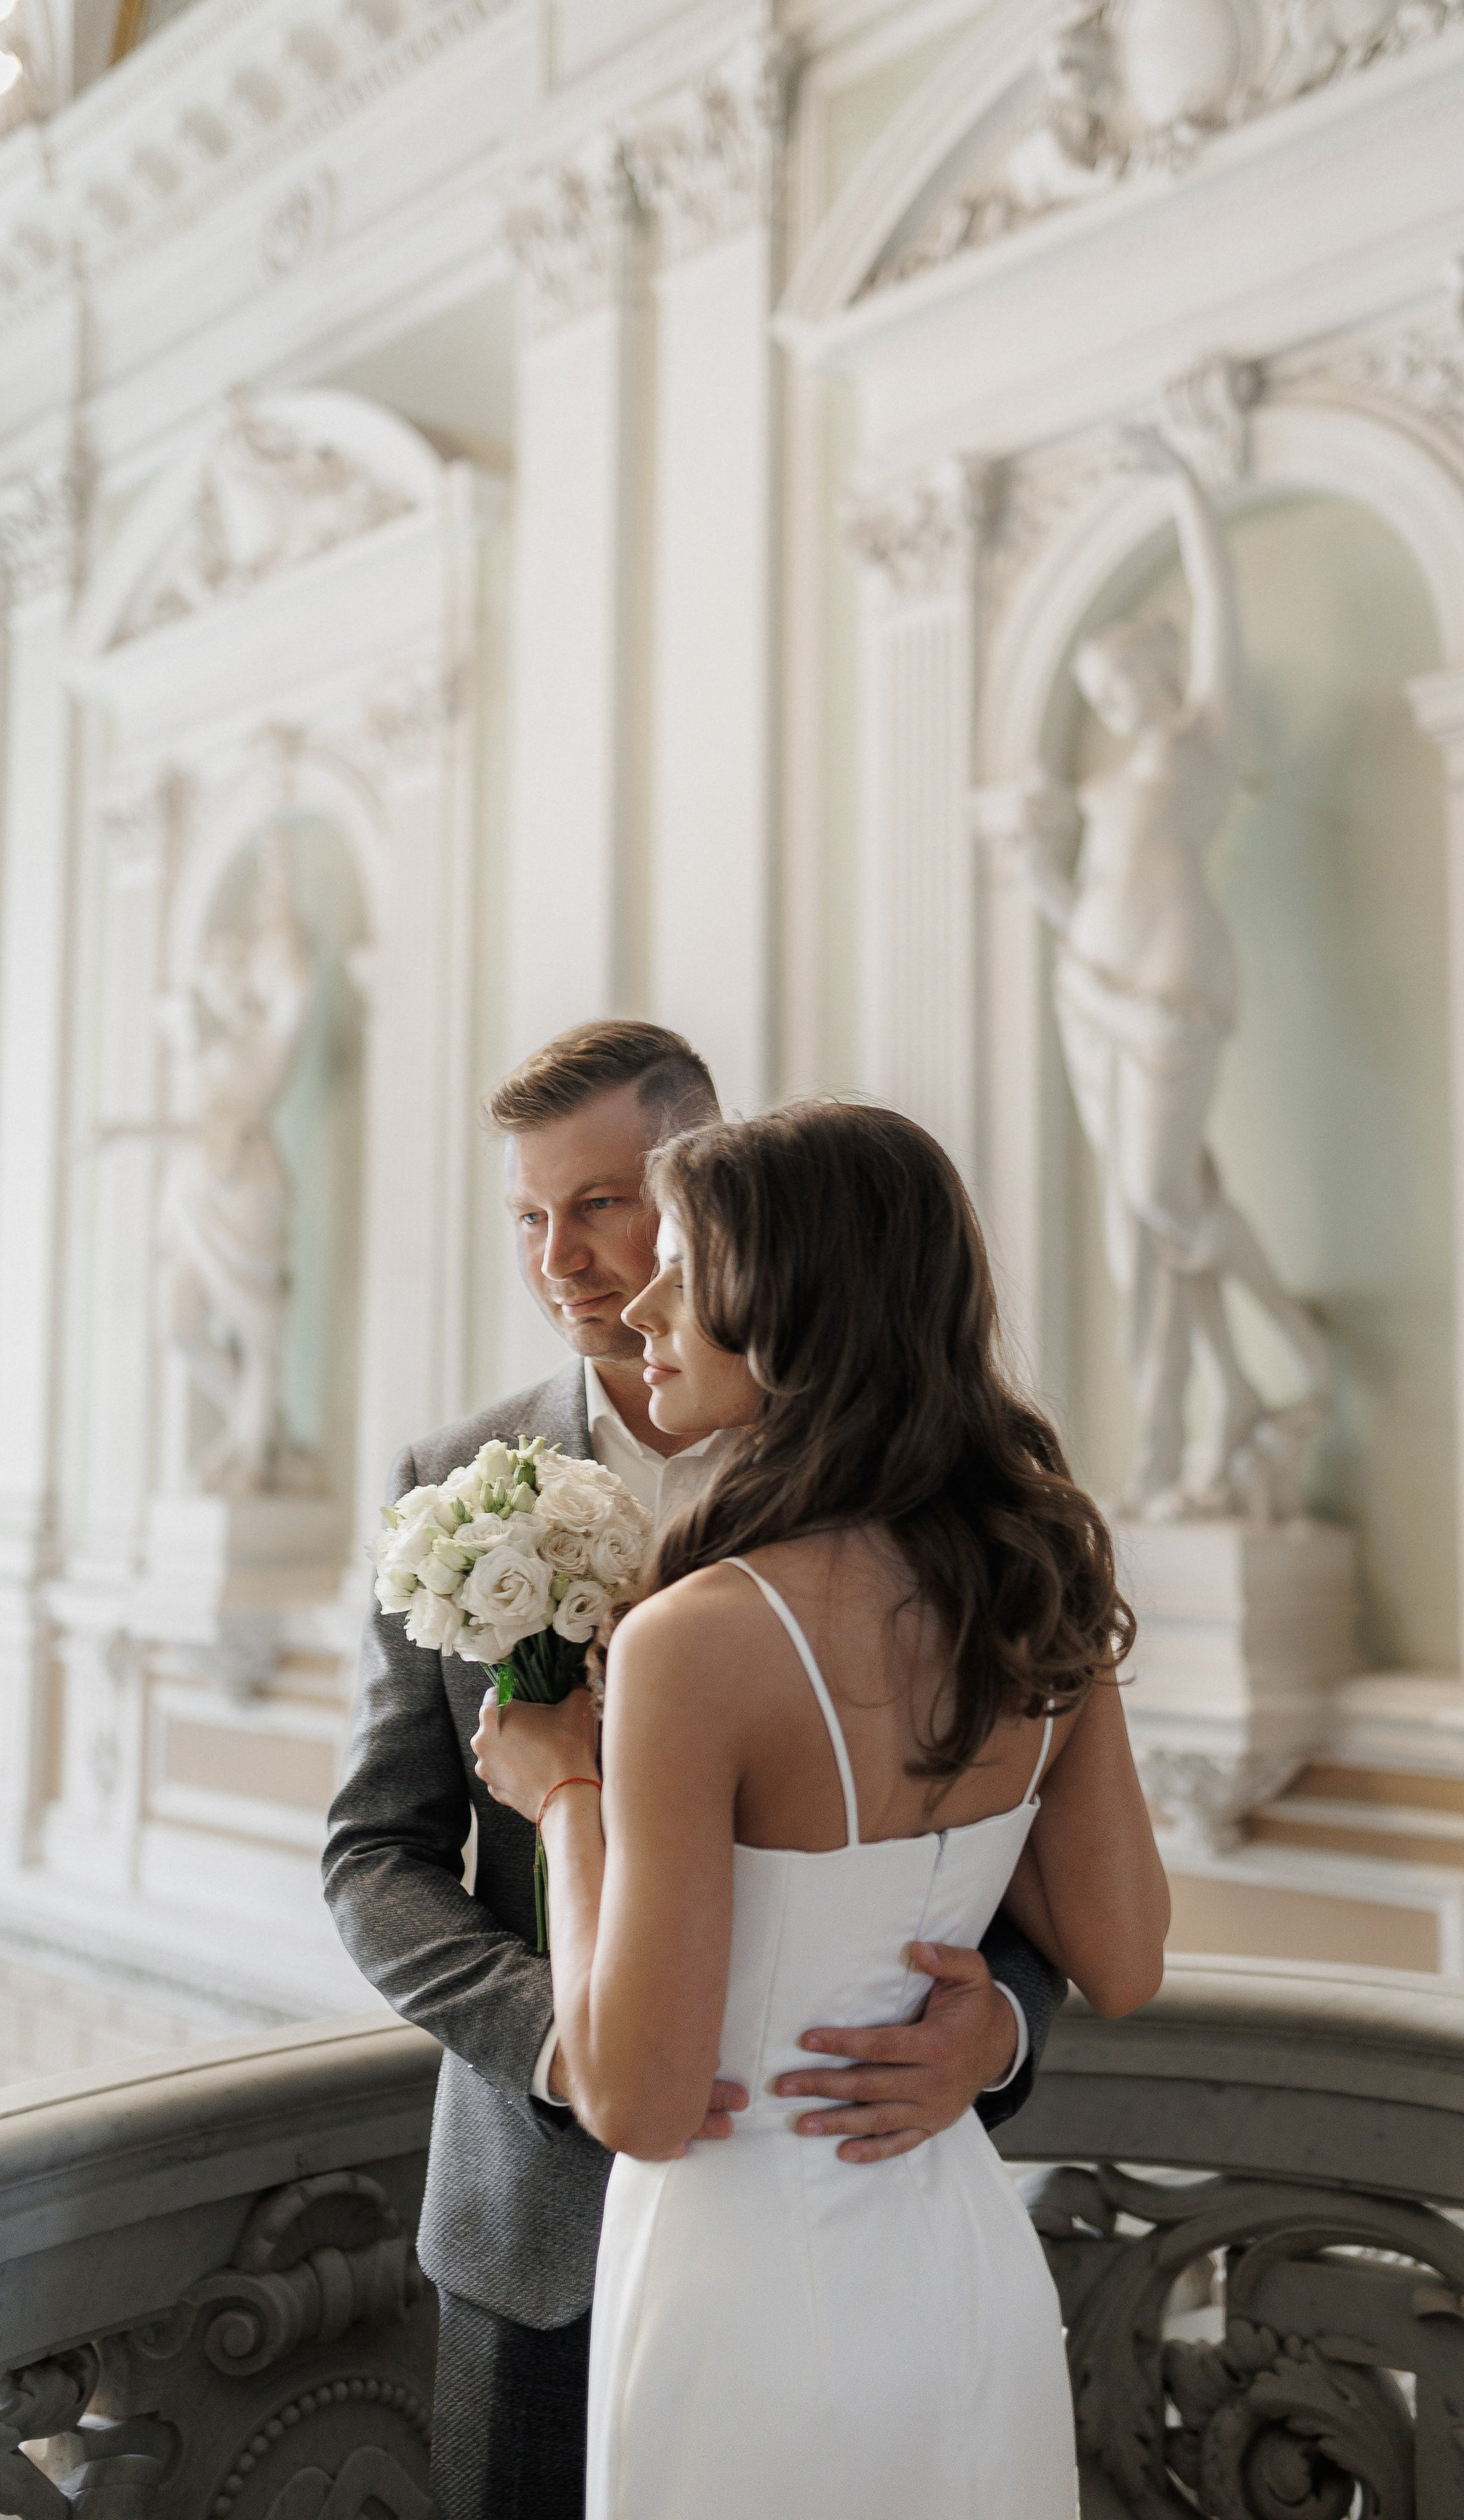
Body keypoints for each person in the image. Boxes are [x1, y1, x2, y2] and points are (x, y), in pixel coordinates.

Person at [323, 1023, 1068, 2520]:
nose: (563, 1260)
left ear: (707, 1190)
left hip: (848, 2183)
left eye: (602, 1205)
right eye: (529, 1217)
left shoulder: (941, 1501)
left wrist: (996, 2031)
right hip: (536, 2233)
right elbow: (374, 1854)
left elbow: (1025, 1869)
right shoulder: (452, 1479)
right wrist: (564, 2041)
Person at [473, 1098, 1170, 2519]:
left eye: (690, 1267)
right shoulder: (1038, 1565)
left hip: (746, 2285)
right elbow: (1123, 1953)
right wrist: (980, 2022)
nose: (644, 1302)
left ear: (796, 1307)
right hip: (953, 2259)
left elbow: (640, 2100)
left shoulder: (701, 1638)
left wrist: (564, 1796)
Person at [1023, 425, 1330, 1517]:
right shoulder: (1110, 787)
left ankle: (1294, 1349)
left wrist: (1189, 490)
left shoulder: (1203, 739)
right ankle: (1209, 1412)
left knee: (1163, 1195)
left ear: (1160, 669)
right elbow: (1095, 905)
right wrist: (1039, 888)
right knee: (1139, 1238)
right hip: (1094, 999)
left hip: (1174, 993)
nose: (1114, 709)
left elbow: (1222, 610)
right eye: (1099, 699)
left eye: (1121, 685)